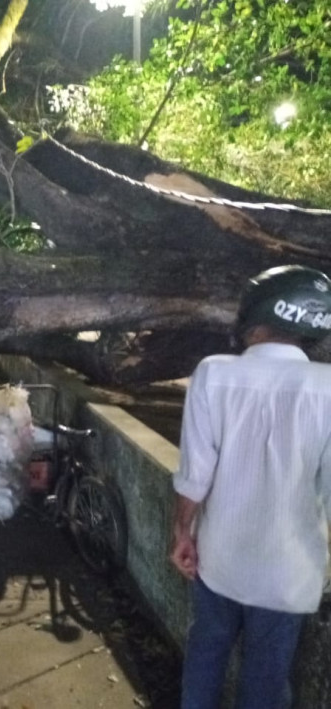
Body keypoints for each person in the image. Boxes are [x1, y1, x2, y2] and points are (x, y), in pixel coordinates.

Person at [170, 264, 331, 709]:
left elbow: (195, 475)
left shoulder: (213, 374)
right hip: (288, 574)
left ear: (258, 316)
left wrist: (182, 533)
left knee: (205, 657)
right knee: (266, 682)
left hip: (218, 561)